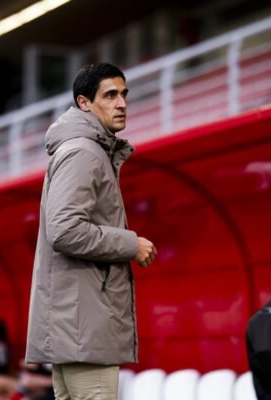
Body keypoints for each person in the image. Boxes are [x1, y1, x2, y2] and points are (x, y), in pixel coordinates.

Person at [25, 63, 157, 400]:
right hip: (85, 327)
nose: (122, 103)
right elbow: (65, 229)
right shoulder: (84, 152)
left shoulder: (85, 149)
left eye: (124, 94)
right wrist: (131, 244)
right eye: (110, 95)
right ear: (84, 103)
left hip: (77, 326)